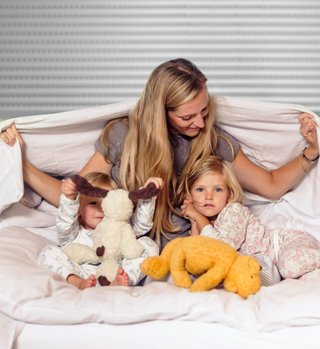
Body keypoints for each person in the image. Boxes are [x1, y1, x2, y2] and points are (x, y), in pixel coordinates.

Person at [1, 58, 319, 246]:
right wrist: (20, 162)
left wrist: (311, 151)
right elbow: (72, 195)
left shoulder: (212, 140)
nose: (200, 122)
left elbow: (271, 185)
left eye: (205, 111)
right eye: (187, 116)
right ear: (160, 112)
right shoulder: (121, 135)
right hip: (125, 247)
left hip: (189, 246)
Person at [180, 155, 320, 284]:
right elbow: (194, 255)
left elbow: (222, 249)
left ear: (229, 194)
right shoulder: (205, 224)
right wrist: (194, 220)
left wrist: (198, 217)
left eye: (218, 189)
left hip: (285, 245)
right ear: (189, 195)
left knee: (289, 266)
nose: (208, 196)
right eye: (200, 190)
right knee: (307, 281)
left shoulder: (233, 211)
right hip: (270, 266)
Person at [37, 171, 162, 289]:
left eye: (106, 204)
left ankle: (123, 280)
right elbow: (64, 225)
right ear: (78, 210)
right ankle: (76, 282)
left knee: (148, 244)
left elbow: (141, 226)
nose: (102, 208)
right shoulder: (74, 233)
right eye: (93, 203)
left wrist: (147, 196)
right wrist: (69, 199)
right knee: (48, 251)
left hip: (115, 272)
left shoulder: (121, 227)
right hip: (83, 274)